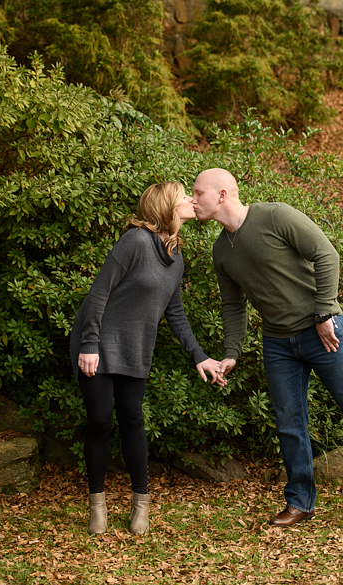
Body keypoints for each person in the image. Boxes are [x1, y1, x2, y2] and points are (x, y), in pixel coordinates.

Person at [190, 168, 343, 527]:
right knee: (290, 423)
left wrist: (324, 311)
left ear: (223, 195)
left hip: (323, 331)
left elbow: (326, 255)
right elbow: (233, 306)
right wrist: (231, 353)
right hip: (277, 342)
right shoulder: (220, 251)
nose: (193, 200)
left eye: (198, 193)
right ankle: (301, 502)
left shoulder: (275, 216)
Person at [70, 181, 225, 535]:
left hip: (135, 348)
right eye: (184, 195)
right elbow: (98, 293)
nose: (190, 199)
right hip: (98, 344)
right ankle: (98, 507)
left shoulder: (175, 257)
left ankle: (141, 504)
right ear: (166, 206)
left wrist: (199, 357)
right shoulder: (136, 241)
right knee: (99, 420)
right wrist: (89, 344)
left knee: (132, 419)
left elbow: (176, 313)